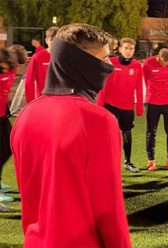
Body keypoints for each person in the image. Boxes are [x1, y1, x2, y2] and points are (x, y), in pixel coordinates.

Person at [11, 23, 131, 247]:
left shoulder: (25, 116)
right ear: (82, 63)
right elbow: (109, 209)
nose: (110, 66)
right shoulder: (98, 120)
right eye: (104, 58)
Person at [97, 37, 143, 173]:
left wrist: (139, 105)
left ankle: (128, 162)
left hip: (127, 106)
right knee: (108, 134)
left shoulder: (136, 66)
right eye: (126, 48)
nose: (129, 51)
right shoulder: (110, 62)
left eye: (131, 49)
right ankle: (105, 162)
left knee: (127, 133)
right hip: (110, 105)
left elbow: (139, 87)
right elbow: (102, 86)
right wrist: (100, 105)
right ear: (120, 49)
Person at [143, 48, 168, 171]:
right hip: (153, 102)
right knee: (151, 132)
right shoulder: (148, 64)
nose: (165, 64)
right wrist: (146, 98)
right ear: (158, 57)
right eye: (163, 62)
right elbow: (145, 80)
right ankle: (151, 161)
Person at [0, 45, 27, 202]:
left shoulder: (9, 71)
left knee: (8, 147)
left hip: (3, 115)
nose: (17, 67)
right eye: (15, 64)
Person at [25, 26, 59, 103]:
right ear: (46, 40)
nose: (55, 43)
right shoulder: (37, 57)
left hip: (61, 101)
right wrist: (30, 103)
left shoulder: (65, 57)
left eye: (58, 40)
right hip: (43, 101)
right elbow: (29, 81)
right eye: (52, 40)